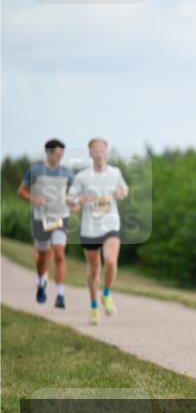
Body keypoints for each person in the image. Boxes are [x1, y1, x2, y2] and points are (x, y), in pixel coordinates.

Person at [68, 138, 129, 325]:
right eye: (95, 150)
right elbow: (70, 199)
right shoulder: (82, 177)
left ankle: (107, 293)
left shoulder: (115, 172)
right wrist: (76, 201)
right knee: (94, 269)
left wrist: (121, 194)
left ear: (106, 152)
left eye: (102, 150)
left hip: (111, 225)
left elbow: (124, 190)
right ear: (90, 154)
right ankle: (94, 306)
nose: (99, 154)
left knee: (111, 261)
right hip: (90, 228)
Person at [17, 139, 74, 308]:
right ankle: (41, 282)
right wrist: (34, 199)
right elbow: (21, 191)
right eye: (57, 154)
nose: (60, 157)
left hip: (60, 218)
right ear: (48, 153)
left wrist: (74, 202)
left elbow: (75, 193)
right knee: (42, 256)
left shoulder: (67, 173)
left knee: (59, 253)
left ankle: (60, 295)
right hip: (40, 219)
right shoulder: (35, 171)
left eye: (62, 154)